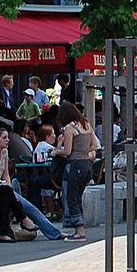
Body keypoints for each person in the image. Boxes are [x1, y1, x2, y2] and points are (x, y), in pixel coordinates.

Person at [0, 127, 64, 241]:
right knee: (30, 208)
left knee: (15, 185)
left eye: (8, 137)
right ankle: (49, 230)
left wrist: (9, 189)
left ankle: (23, 221)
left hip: (4, 187)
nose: (8, 140)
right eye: (4, 138)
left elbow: (6, 175)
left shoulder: (5, 152)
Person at [53, 101, 99, 241]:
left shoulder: (69, 128)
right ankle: (79, 227)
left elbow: (67, 151)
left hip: (74, 165)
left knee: (71, 197)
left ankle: (79, 231)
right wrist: (83, 150)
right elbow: (94, 145)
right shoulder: (86, 125)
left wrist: (56, 151)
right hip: (86, 165)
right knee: (77, 196)